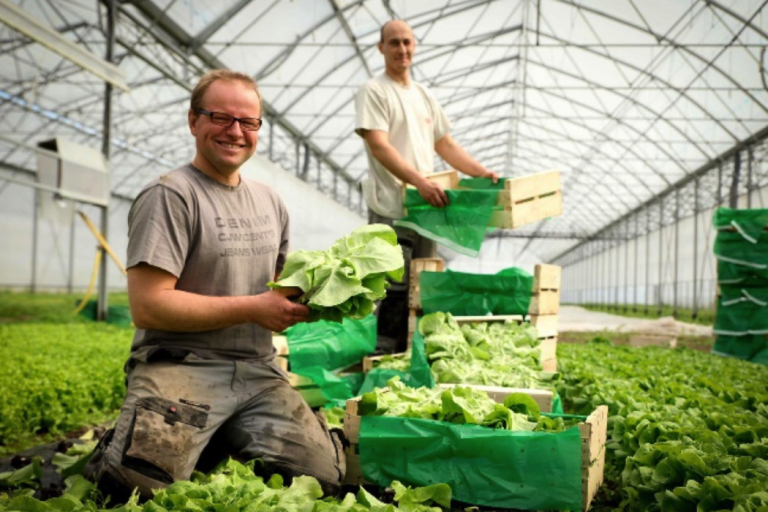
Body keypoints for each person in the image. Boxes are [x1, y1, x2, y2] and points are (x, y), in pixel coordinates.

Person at [85, 69, 344, 501]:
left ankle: (211, 435)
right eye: (220, 117)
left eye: (248, 122)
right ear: (194, 121)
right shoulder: (171, 195)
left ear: (259, 129)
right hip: (182, 365)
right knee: (136, 488)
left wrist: (317, 300)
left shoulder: (270, 201)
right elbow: (148, 307)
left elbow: (274, 295)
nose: (235, 131)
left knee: (321, 479)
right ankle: (120, 448)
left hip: (258, 371)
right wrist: (254, 308)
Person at [354, 20, 499, 352]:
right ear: (381, 48)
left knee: (423, 281)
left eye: (406, 42)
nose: (401, 49)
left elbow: (445, 145)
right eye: (393, 43)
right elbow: (379, 145)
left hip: (425, 207)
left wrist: (481, 172)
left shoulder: (423, 95)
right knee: (392, 283)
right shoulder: (374, 91)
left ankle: (410, 351)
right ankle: (381, 355)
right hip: (392, 204)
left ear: (414, 45)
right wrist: (419, 182)